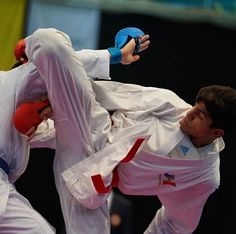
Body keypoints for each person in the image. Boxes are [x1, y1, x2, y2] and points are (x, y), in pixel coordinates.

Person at [13, 28, 236, 234]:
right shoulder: (172, 105)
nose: (189, 113)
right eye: (195, 106)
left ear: (216, 132)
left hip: (93, 184)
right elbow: (113, 93)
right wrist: (55, 91)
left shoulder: (203, 176)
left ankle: (45, 98)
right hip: (92, 127)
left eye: (199, 115)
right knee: (53, 49)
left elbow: (175, 223)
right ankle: (37, 71)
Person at [12, 27, 150, 234]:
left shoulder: (55, 86)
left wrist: (116, 53)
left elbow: (65, 57)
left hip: (116, 133)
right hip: (85, 155)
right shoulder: (28, 97)